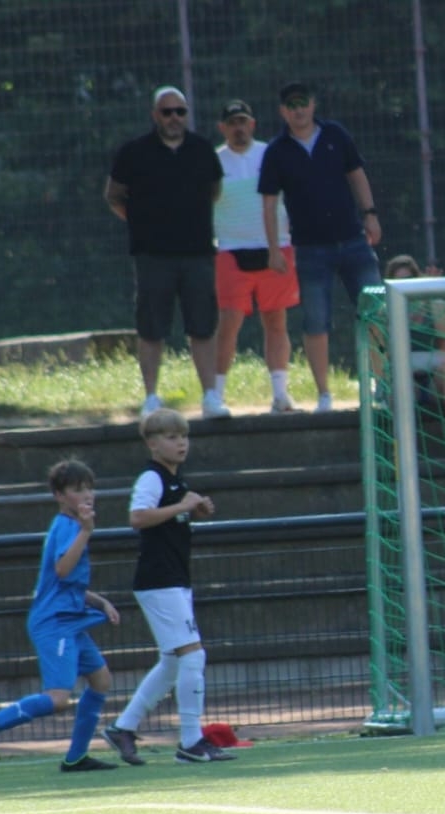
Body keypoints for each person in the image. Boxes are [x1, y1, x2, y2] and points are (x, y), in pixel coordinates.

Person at [100, 408, 235, 765]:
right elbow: (137, 517)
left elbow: (170, 514)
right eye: (172, 437)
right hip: (159, 580)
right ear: (152, 443)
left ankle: (123, 727)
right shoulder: (151, 477)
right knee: (194, 655)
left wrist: (193, 509)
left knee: (172, 662)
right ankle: (190, 741)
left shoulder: (175, 479)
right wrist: (182, 505)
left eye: (184, 436)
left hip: (174, 578)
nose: (181, 443)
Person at [0, 461, 121, 771]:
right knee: (57, 698)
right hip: (55, 624)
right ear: (59, 496)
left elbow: (67, 583)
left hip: (70, 619)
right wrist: (86, 531)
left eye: (90, 488)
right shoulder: (68, 527)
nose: (87, 495)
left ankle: (76, 757)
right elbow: (63, 569)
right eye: (77, 490)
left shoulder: (73, 526)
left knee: (101, 679)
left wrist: (100, 602)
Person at [259, 81, 382, 414]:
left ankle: (383, 385)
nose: (299, 110)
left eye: (303, 103)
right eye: (291, 105)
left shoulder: (335, 135)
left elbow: (357, 175)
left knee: (377, 312)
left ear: (313, 105)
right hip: (310, 248)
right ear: (283, 111)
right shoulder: (277, 151)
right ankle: (324, 394)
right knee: (316, 320)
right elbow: (269, 203)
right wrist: (273, 249)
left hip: (353, 240)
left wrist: (370, 214)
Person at [105, 85, 225, 420]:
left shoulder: (202, 149)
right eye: (167, 112)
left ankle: (211, 397)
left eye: (180, 112)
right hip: (152, 255)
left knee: (203, 325)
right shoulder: (133, 152)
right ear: (155, 115)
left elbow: (214, 191)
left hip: (198, 253)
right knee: (151, 327)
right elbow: (114, 196)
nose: (174, 118)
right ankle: (151, 398)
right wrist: (141, 222)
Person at [211, 99, 302, 414]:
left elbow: (292, 194)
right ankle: (215, 396)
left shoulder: (271, 154)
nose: (238, 128)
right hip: (230, 250)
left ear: (252, 124)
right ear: (222, 128)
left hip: (276, 248)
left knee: (276, 320)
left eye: (243, 121)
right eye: (232, 123)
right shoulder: (213, 161)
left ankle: (280, 395)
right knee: (229, 322)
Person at [371, 255, 445, 458]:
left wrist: (432, 297)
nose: (404, 286)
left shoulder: (434, 305)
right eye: (398, 282)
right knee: (398, 378)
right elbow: (382, 355)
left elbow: (444, 343)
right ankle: (403, 452)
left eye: (409, 280)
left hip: (432, 380)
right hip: (403, 381)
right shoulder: (383, 312)